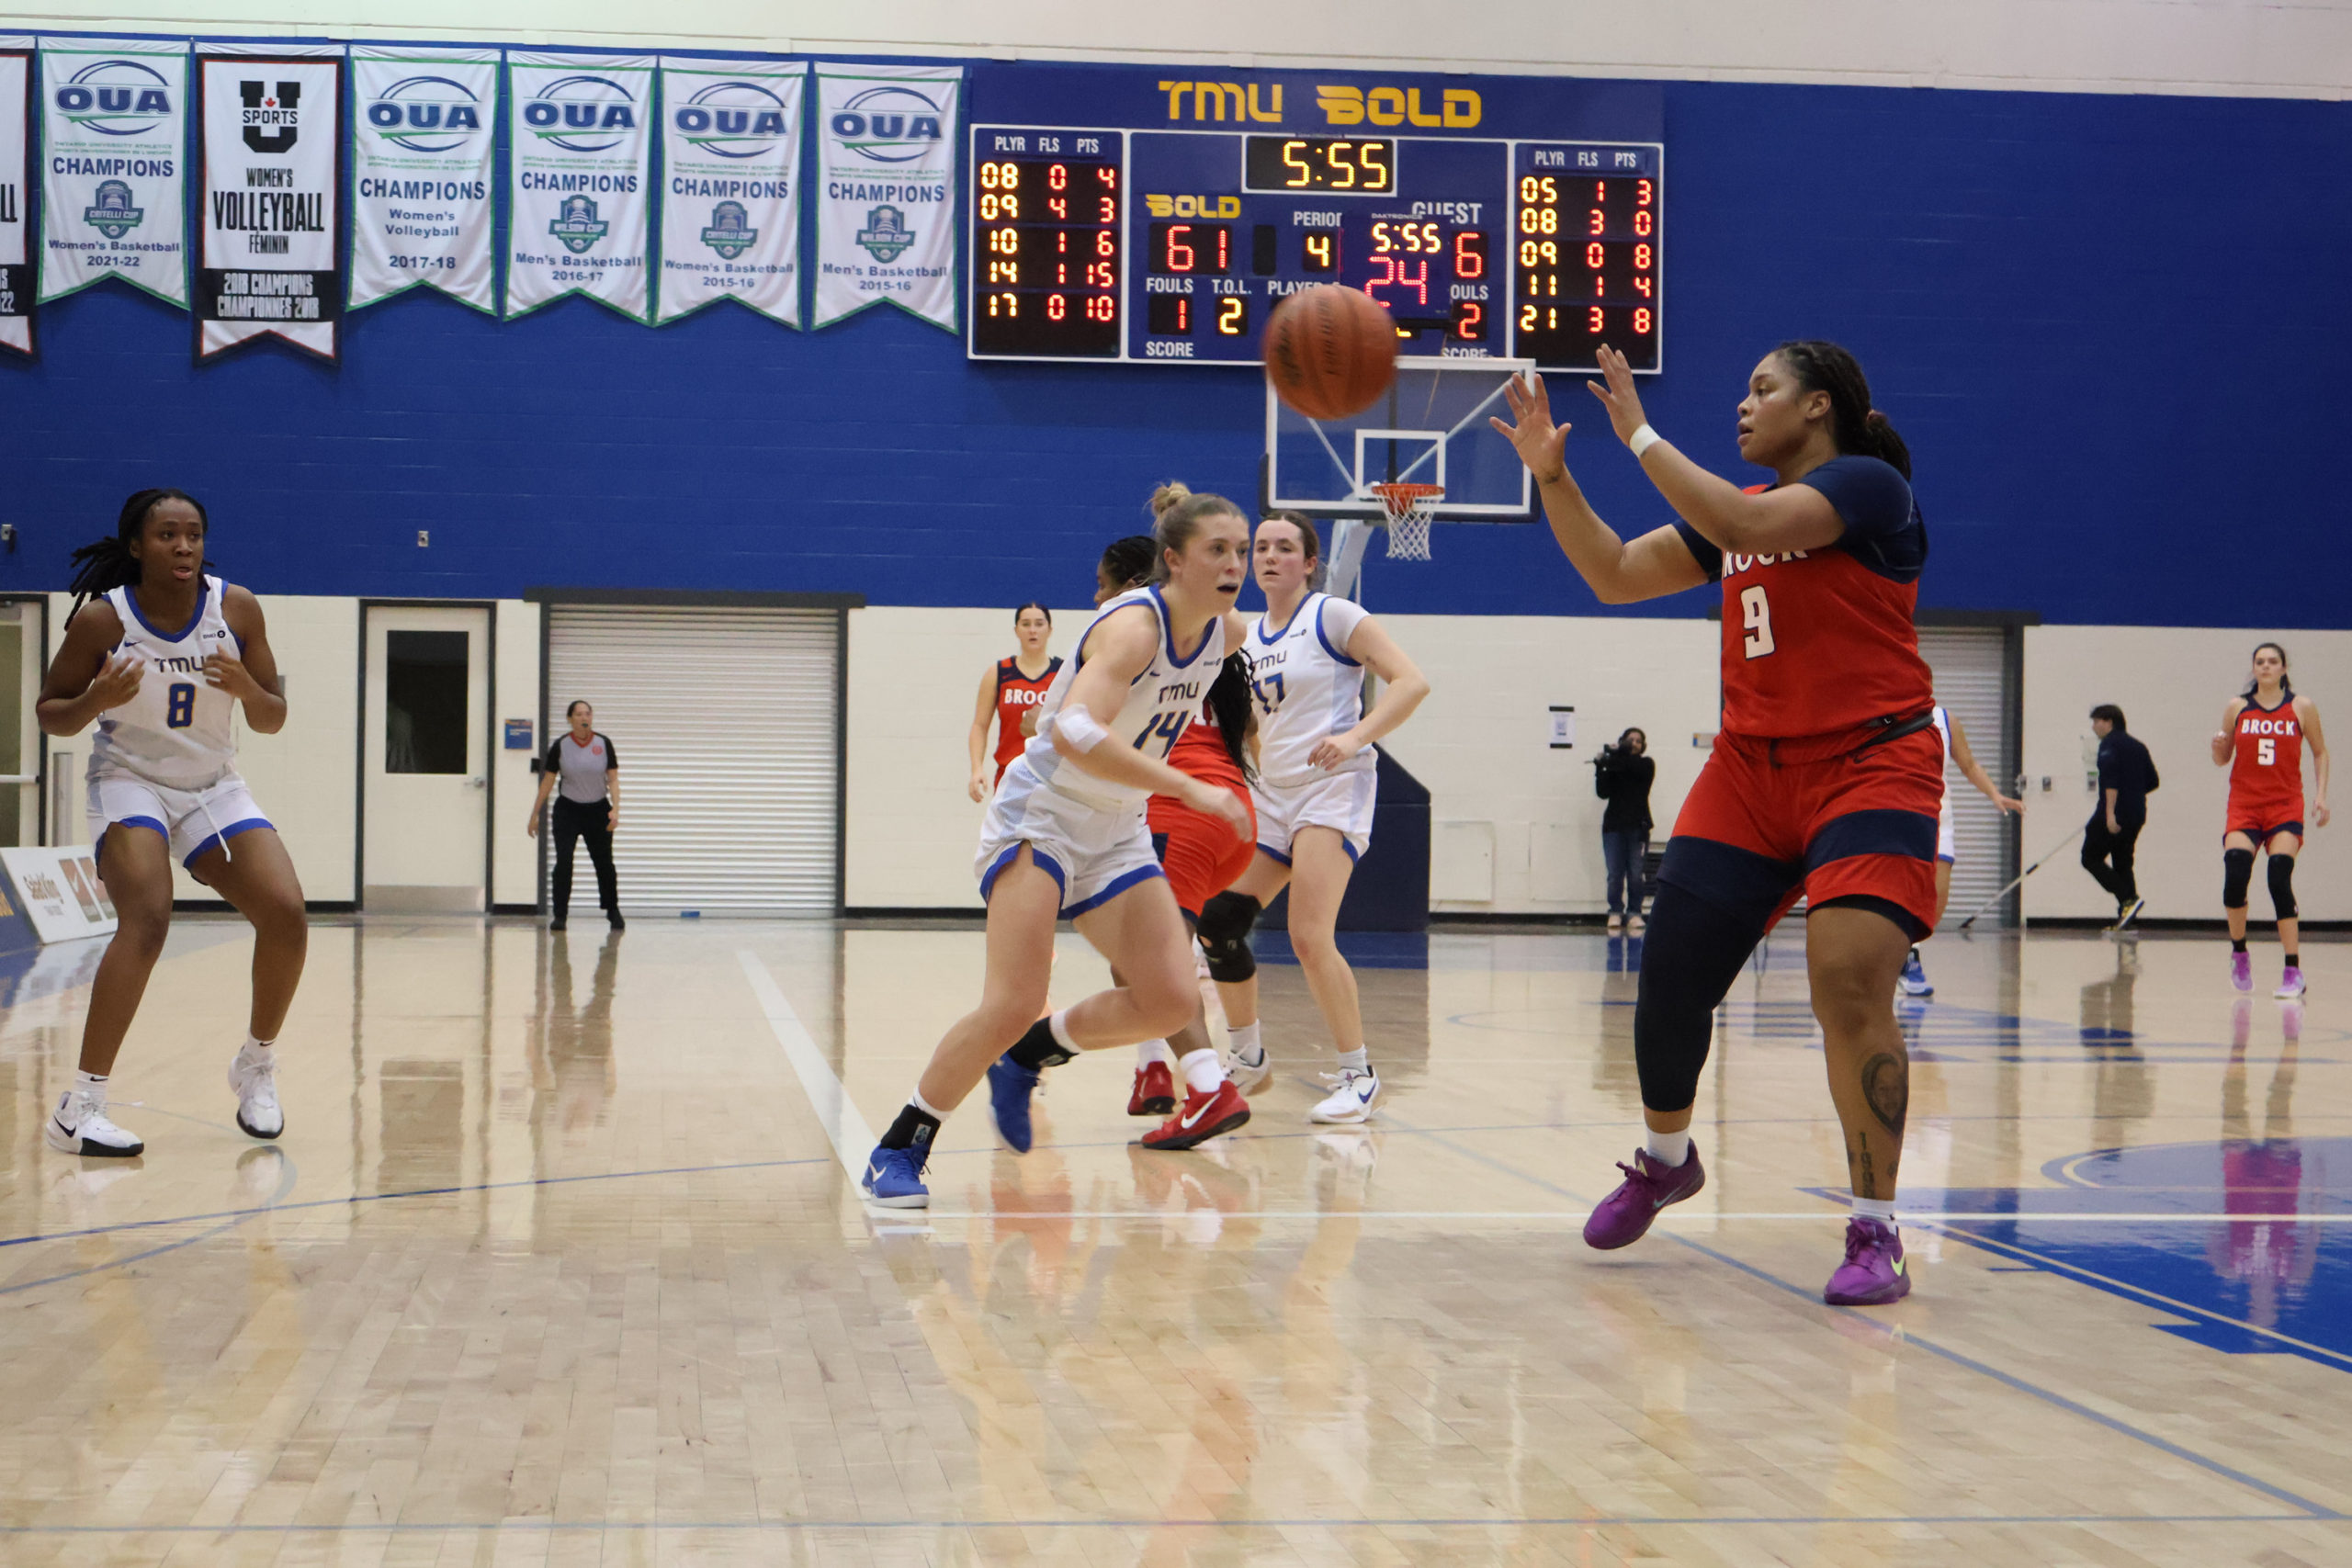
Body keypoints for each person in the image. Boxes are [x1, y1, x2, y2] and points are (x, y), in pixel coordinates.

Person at [1492, 339, 1935, 1305]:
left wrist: (1636, 430)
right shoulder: (1727, 519)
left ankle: (1876, 1230)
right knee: (1669, 977)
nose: (1743, 405)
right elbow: (1611, 572)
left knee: (1847, 981)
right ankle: (1665, 1159)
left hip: (1870, 761)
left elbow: (1743, 513)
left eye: (1762, 389)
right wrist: (1555, 477)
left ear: (1818, 407)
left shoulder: (1864, 488)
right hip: (1750, 769)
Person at [861, 494, 1256, 1208]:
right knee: (1010, 999)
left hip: (1115, 825)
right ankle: (901, 1142)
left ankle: (1030, 1054)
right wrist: (1190, 789)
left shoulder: (1226, 632)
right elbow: (1071, 729)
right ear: (1173, 559)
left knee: (1169, 999)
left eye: (1242, 549)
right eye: (1217, 550)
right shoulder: (1136, 627)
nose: (1235, 564)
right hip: (1039, 814)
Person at [37, 488, 308, 1156]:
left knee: (286, 912)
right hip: (131, 779)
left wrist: (246, 686)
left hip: (213, 784)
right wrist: (97, 696)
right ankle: (81, 1105)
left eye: (193, 535)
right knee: (149, 916)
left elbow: (273, 716)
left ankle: (256, 1062)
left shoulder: (235, 608)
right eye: (166, 535)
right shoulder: (104, 621)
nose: (182, 546)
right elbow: (50, 712)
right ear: (137, 546)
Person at [1196, 512, 1431, 1124]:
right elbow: (1248, 724)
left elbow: (1412, 682)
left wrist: (1355, 737)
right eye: (1262, 548)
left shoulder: (1333, 616)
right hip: (1274, 792)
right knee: (1220, 922)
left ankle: (1359, 1073)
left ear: (1309, 562)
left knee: (1307, 933)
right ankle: (1247, 1055)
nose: (1269, 557)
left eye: (1284, 548)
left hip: (1333, 786)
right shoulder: (1244, 638)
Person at [2212, 643, 2329, 998]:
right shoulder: (2237, 707)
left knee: (2279, 877)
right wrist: (2217, 745)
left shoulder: (2301, 707)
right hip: (2245, 805)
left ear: (2283, 668)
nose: (2265, 666)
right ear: (2254, 668)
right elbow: (2222, 759)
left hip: (2284, 806)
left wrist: (2321, 796)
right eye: (2260, 662)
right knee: (2235, 872)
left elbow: (2320, 752)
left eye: (2272, 661)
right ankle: (2239, 952)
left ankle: (2292, 970)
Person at [1897, 705, 2024, 997]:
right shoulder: (1884, 714)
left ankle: (1907, 948)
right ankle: (1906, 957)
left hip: (1938, 814)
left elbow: (1968, 764)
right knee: (1898, 889)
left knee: (1937, 895)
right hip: (1897, 810)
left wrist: (1995, 794)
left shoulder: (1944, 719)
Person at [528, 701, 624, 932]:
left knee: (604, 864)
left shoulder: (603, 743)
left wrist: (616, 809)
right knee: (563, 862)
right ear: (570, 719)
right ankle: (560, 914)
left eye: (588, 713)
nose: (585, 718)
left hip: (597, 810)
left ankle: (612, 910)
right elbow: (548, 781)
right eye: (579, 714)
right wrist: (535, 813)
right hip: (568, 810)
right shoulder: (561, 746)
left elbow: (612, 779)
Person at [967, 602, 1060, 800]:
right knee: (1008, 832)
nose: (1032, 630)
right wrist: (977, 769)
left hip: (1051, 775)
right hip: (1010, 774)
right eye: (1026, 624)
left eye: (1039, 624)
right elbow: (979, 725)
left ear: (1050, 630)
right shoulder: (999, 672)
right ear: (1016, 630)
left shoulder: (1062, 673)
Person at [2084, 705, 2158, 933]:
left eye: (2096, 721)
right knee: (2123, 862)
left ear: (2109, 722)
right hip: (2137, 814)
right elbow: (2153, 781)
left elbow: (2111, 782)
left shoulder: (2109, 745)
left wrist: (2110, 815)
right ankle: (2127, 919)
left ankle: (2128, 898)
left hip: (2114, 813)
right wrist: (2133, 794)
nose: (2094, 726)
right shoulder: (2138, 746)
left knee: (2090, 857)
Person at [1595, 728, 1655, 933]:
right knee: (1614, 874)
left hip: (1638, 827)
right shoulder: (1615, 765)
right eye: (1630, 740)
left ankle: (1635, 912)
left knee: (1636, 874)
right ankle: (1615, 911)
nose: (1634, 744)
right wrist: (1600, 767)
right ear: (1622, 741)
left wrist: (1615, 755)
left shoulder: (1646, 764)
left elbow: (1631, 768)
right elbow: (1602, 792)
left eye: (1638, 741)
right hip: (1613, 827)